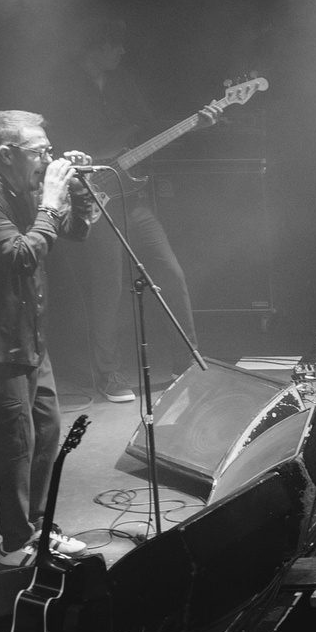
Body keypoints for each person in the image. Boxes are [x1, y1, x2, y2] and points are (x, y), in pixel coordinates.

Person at [0, 109, 92, 566]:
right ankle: (14, 543)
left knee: (46, 432)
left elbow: (74, 232)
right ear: (7, 153)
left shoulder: (25, 189)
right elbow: (22, 256)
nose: (47, 158)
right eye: (39, 152)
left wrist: (77, 192)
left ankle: (38, 528)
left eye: (48, 150)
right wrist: (51, 200)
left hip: (28, 337)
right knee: (13, 445)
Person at [42, 31, 200, 403]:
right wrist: (88, 170)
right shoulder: (65, 88)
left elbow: (149, 126)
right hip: (93, 196)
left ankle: (187, 362)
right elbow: (56, 143)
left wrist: (196, 122)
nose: (123, 49)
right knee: (109, 287)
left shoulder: (122, 84)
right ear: (93, 45)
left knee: (171, 273)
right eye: (114, 42)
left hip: (132, 197)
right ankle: (108, 374)